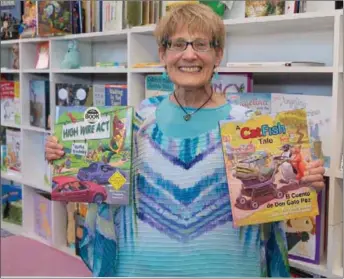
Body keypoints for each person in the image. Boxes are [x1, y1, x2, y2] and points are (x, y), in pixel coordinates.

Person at [45, 3, 326, 277]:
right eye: (178, 44)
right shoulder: (135, 123)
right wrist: (66, 160)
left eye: (201, 45)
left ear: (218, 55)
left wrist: (303, 184)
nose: (189, 55)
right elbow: (109, 189)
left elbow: (271, 206)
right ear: (163, 54)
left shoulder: (248, 127)